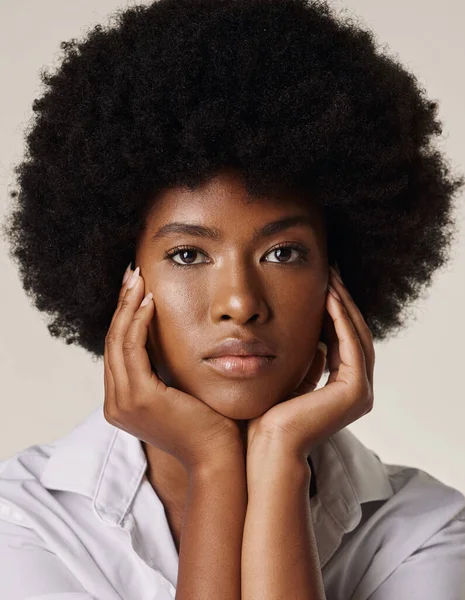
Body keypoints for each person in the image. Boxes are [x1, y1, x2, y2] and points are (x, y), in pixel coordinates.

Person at [1, 0, 464, 598]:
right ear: (119, 277)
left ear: (338, 275)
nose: (240, 303)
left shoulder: (424, 533)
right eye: (189, 254)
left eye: (283, 253)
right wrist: (215, 466)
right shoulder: (26, 525)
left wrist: (276, 460)